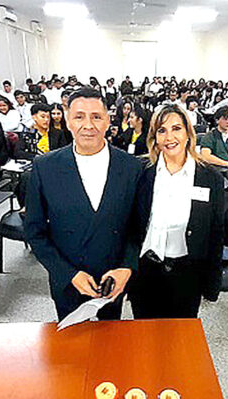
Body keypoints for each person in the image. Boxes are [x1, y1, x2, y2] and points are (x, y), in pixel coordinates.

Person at [25, 87, 143, 320]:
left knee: (110, 343)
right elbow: (34, 232)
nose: (88, 125)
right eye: (79, 116)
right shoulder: (44, 166)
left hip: (112, 279)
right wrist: (68, 274)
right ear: (68, 121)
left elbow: (138, 228)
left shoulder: (132, 167)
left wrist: (127, 267)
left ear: (108, 121)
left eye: (96, 117)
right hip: (67, 278)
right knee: (72, 346)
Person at [129, 105, 224, 319]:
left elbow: (216, 233)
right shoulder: (141, 172)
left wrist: (212, 284)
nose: (169, 137)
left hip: (188, 274)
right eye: (162, 130)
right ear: (154, 137)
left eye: (176, 129)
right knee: (145, 336)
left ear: (188, 134)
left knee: (179, 341)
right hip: (146, 272)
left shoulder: (210, 178)